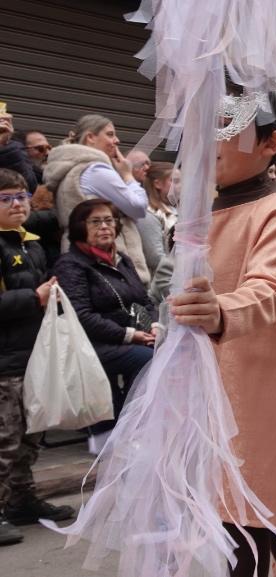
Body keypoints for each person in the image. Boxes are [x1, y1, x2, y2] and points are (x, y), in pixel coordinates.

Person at [167, 89, 276, 576]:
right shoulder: (200, 213)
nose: (206, 140)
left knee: (248, 513)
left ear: (270, 143)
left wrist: (220, 311)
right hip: (210, 379)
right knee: (252, 511)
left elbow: (271, 288)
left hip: (264, 384)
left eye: (224, 125)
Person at [0, 168, 74, 545]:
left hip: (33, 357)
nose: (17, 204)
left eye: (22, 197)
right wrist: (35, 297)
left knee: (31, 435)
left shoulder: (31, 243)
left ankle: (21, 500)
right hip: (5, 362)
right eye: (6, 198)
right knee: (4, 439)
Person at [54, 198, 158, 453]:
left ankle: (126, 428)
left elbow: (144, 299)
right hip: (90, 344)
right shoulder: (71, 265)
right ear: (80, 227)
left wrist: (155, 325)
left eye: (109, 220)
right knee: (148, 359)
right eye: (96, 221)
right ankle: (122, 430)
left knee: (163, 351)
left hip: (128, 337)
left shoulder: (121, 259)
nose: (104, 227)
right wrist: (130, 335)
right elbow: (81, 316)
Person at [43, 114, 151, 284]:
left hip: (80, 251)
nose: (117, 140)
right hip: (106, 257)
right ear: (91, 137)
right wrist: (128, 175)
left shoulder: (71, 168)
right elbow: (138, 207)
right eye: (110, 134)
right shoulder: (96, 169)